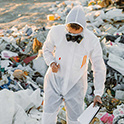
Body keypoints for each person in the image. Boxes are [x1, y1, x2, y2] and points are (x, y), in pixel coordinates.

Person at [42, 5, 106, 124]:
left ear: (83, 28)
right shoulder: (56, 31)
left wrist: (98, 93)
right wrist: (51, 62)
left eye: (77, 33)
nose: (73, 35)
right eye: (70, 32)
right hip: (54, 81)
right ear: (66, 25)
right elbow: (46, 49)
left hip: (76, 85)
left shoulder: (91, 40)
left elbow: (98, 67)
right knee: (47, 116)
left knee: (75, 120)